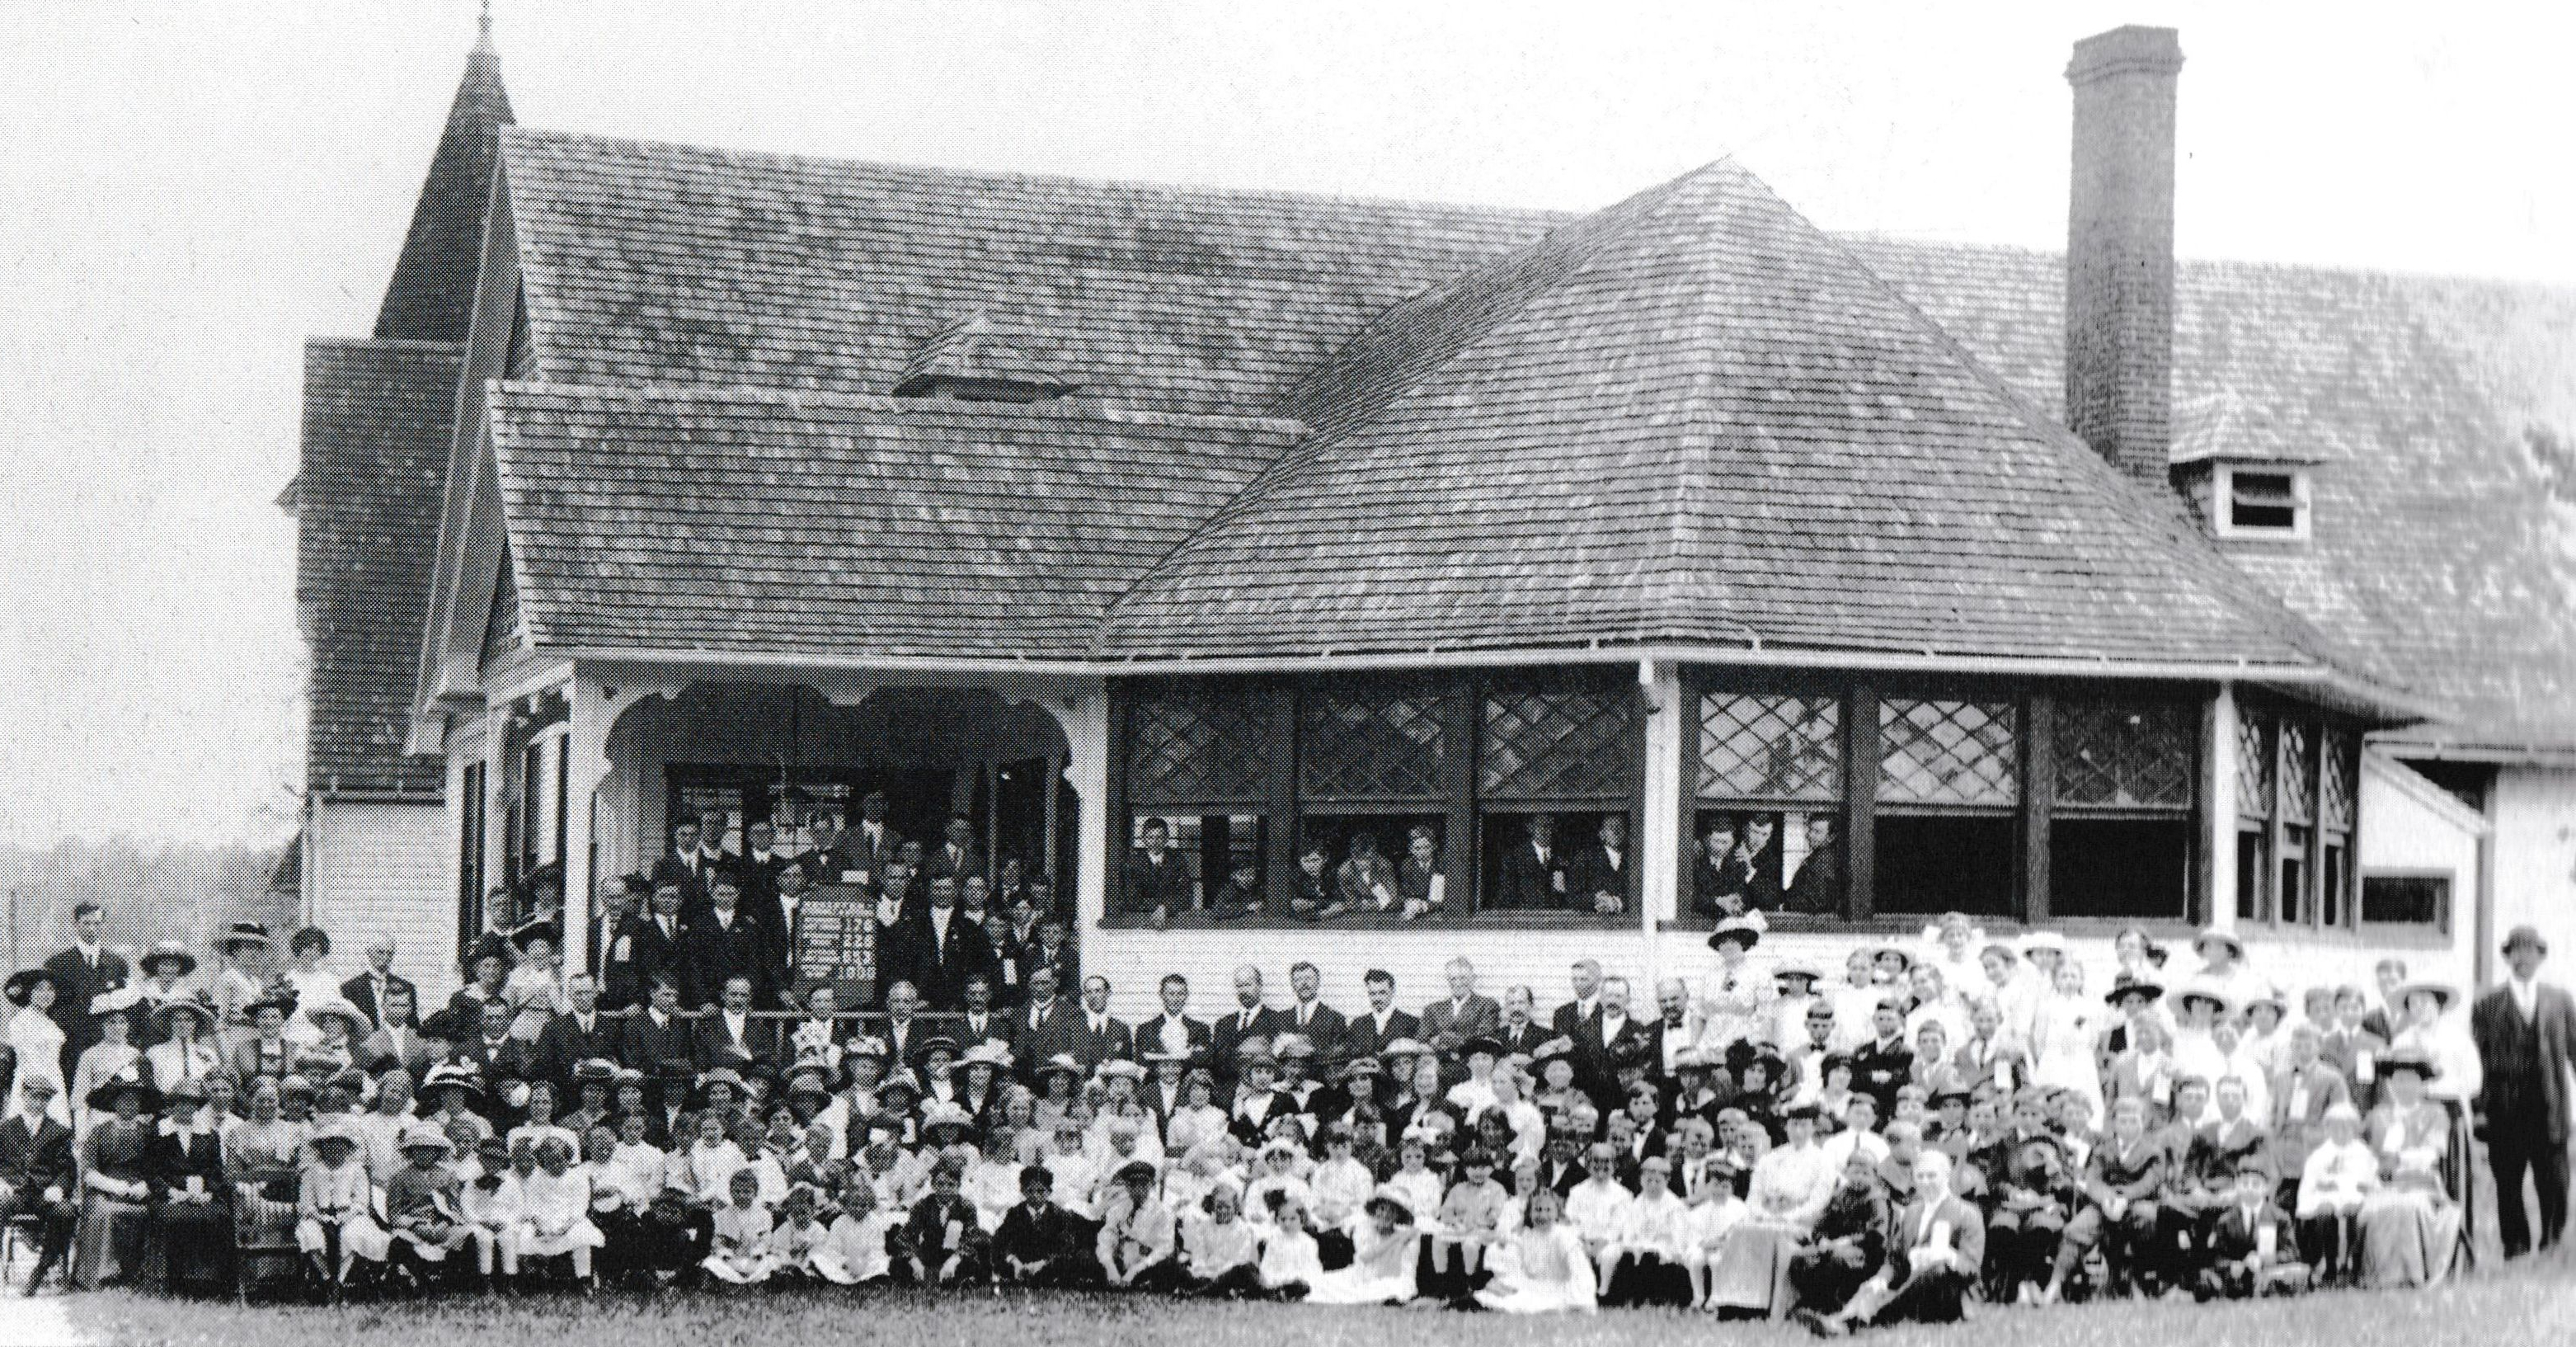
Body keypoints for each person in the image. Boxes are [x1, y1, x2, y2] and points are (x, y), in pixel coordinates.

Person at [2470, 924, 2576, 1259]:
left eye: (2530, 951)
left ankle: (2551, 1245)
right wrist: (2480, 1110)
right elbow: (2478, 1062)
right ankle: (2515, 1248)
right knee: (2508, 1182)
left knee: (2555, 1182)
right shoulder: (2487, 1004)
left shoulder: (2560, 1001)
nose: (2523, 958)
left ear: (2540, 957)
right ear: (2507, 957)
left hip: (2549, 1107)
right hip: (2505, 1110)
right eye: (2516, 951)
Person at [0, 1075, 77, 1293]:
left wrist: (58, 1187)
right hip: (14, 1192)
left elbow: (68, 1170)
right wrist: (1, 1182)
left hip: (45, 1194)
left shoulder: (59, 1131)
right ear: (23, 1096)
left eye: (44, 1098)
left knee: (66, 1212)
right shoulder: (6, 1129)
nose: (38, 1102)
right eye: (34, 1097)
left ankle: (40, 1271)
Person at [297, 1114, 391, 1292]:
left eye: (340, 1143)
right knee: (309, 1233)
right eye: (329, 1143)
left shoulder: (357, 1170)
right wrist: (320, 1217)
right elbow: (306, 1203)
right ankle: (326, 1278)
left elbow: (361, 1202)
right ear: (321, 1147)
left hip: (351, 1215)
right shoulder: (311, 1172)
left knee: (354, 1234)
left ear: (347, 1147)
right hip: (318, 1216)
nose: (335, 1148)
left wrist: (346, 1217)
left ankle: (341, 1281)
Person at [1477, 1183, 1596, 1313]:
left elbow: (1581, 1273)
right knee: (1498, 1289)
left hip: (1560, 1287)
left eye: (1548, 1210)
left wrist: (1582, 1300)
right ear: (1530, 1213)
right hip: (1535, 1284)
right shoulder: (1527, 1235)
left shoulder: (1564, 1236)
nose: (1543, 1216)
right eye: (1538, 1210)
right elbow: (1510, 1251)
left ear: (1557, 1213)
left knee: (1526, 1302)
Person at [2194, 1157, 2302, 1300]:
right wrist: (2231, 1265)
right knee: (2207, 1277)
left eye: (2255, 1184)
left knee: (2295, 1272)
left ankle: (2269, 1287)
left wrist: (2262, 1260)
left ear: (2266, 1188)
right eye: (2245, 1184)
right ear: (2237, 1186)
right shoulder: (2225, 1220)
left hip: (2268, 1270)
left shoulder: (2280, 1217)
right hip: (2237, 1276)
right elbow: (2217, 1256)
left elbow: (2291, 1253)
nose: (2250, 1189)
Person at [2297, 1100, 2378, 1286]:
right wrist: (2324, 1186)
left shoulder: (2363, 1153)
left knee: (2354, 1210)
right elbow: (2310, 1183)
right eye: (2335, 1127)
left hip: (2355, 1196)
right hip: (2326, 1197)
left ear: (2354, 1129)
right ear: (2327, 1129)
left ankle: (2353, 1265)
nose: (2341, 1132)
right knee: (2325, 1211)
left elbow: (2370, 1181)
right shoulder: (2319, 1155)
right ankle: (2329, 1265)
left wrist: (2359, 1188)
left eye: (2346, 1127)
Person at [43, 903, 129, 1067]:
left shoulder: (117, 963)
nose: (91, 929)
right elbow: (49, 1008)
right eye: (86, 923)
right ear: (76, 924)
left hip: (106, 1048)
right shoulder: (57, 964)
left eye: (96, 923)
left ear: (103, 925)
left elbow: (124, 1008)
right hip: (69, 1048)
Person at [1305, 1186, 1418, 1305]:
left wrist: (1400, 1242)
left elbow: (1400, 1272)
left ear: (1398, 1216)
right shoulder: (1364, 1228)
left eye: (1392, 1211)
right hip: (1360, 1278)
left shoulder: (1408, 1237)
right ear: (1375, 1210)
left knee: (1394, 1287)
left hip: (1390, 1279)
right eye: (1382, 1209)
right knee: (1322, 1282)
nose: (1385, 1214)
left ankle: (1385, 1298)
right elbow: (1365, 1257)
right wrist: (1395, 1239)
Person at [1093, 1158, 1178, 1292]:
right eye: (1133, 1184)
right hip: (1121, 1261)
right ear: (1126, 1186)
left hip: (1147, 1264)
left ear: (1151, 1185)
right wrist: (1110, 1267)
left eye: (1143, 1184)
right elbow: (1106, 1239)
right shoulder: (1117, 1210)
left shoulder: (1163, 1212)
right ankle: (1115, 1280)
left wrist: (1136, 1270)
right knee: (1087, 1258)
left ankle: (1141, 1283)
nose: (1138, 1189)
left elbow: (1165, 1247)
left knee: (1168, 1267)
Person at [812, 1181, 897, 1285]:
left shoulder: (875, 1222)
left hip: (867, 1266)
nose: (858, 1208)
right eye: (854, 1204)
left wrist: (863, 1266)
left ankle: (867, 1280)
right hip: (845, 1266)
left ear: (869, 1206)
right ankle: (843, 1281)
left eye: (863, 1205)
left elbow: (877, 1250)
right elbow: (832, 1250)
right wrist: (845, 1263)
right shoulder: (839, 1222)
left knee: (882, 1263)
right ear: (847, 1205)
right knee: (819, 1259)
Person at [703, 1167, 775, 1286]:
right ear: (730, 1191)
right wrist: (725, 1254)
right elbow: (718, 1241)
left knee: (772, 1261)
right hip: (732, 1260)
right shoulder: (721, 1215)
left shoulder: (764, 1214)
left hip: (754, 1260)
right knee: (710, 1262)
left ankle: (749, 1281)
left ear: (755, 1193)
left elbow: (766, 1238)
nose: (741, 1195)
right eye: (737, 1191)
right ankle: (738, 1281)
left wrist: (759, 1252)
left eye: (746, 1192)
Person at [1566, 814, 1633, 914]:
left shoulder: (1635, 859)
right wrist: (1595, 899)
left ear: (1626, 833)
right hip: (1593, 921)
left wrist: (1618, 903)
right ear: (1602, 834)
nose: (1615, 831)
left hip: (1628, 921)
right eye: (1610, 827)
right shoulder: (1585, 858)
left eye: (1620, 826)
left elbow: (1644, 894)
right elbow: (1572, 897)